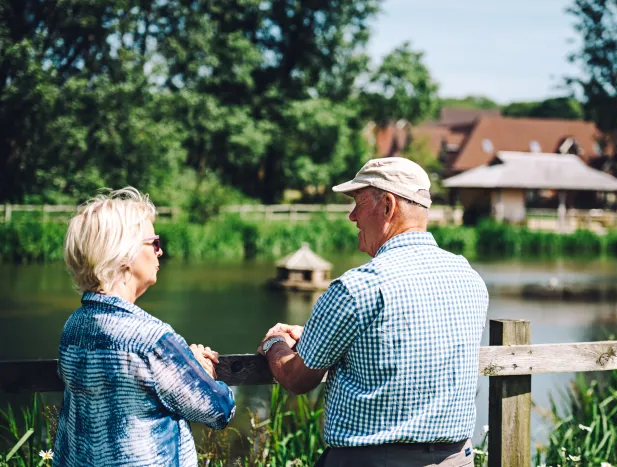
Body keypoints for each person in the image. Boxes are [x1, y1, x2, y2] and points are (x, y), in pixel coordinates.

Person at [258, 157, 489, 467]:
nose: (352, 216)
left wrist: (275, 343)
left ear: (387, 206)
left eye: (357, 202)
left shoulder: (357, 288)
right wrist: (317, 338)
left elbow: (296, 378)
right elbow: (406, 341)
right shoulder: (469, 278)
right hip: (456, 459)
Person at [54, 187, 235, 467]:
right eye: (154, 243)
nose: (161, 252)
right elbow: (219, 410)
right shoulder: (151, 339)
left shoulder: (73, 327)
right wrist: (200, 370)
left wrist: (182, 362)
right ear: (124, 253)